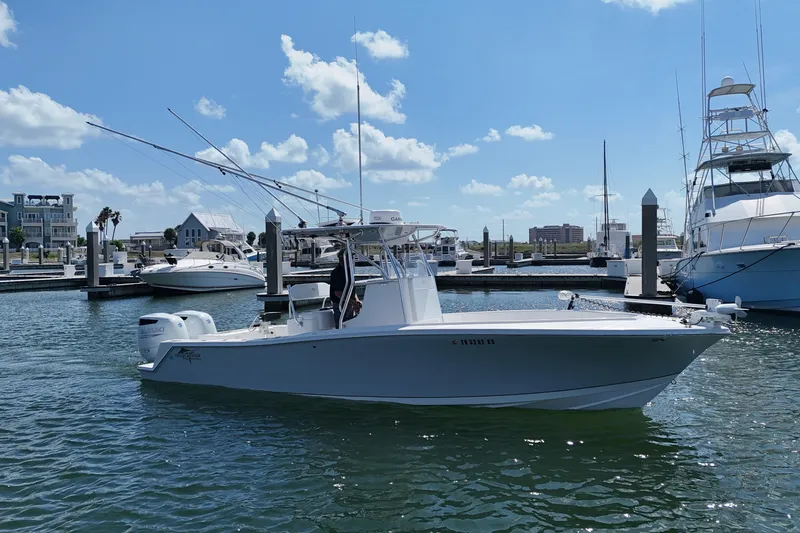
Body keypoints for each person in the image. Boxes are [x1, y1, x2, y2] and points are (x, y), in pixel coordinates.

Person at [329, 248, 362, 327]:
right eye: (349, 257)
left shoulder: (349, 270)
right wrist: (353, 303)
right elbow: (338, 293)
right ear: (342, 258)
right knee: (342, 326)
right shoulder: (336, 273)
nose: (351, 260)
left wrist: (357, 301)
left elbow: (351, 288)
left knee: (351, 325)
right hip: (340, 304)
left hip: (349, 303)